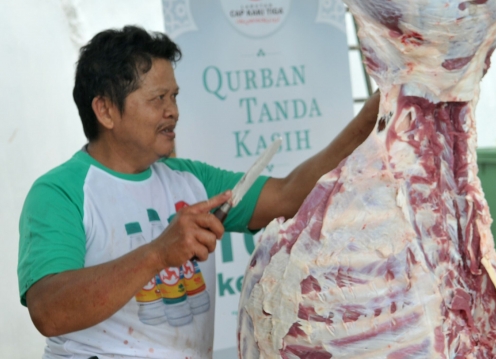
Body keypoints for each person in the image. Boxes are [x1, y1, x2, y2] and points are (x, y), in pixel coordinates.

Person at [17, 26, 380, 359]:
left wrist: (368, 120)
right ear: (105, 110)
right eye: (157, 98)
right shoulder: (60, 192)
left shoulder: (190, 180)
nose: (172, 111)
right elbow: (50, 312)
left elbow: (286, 197)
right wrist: (158, 254)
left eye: (174, 96)